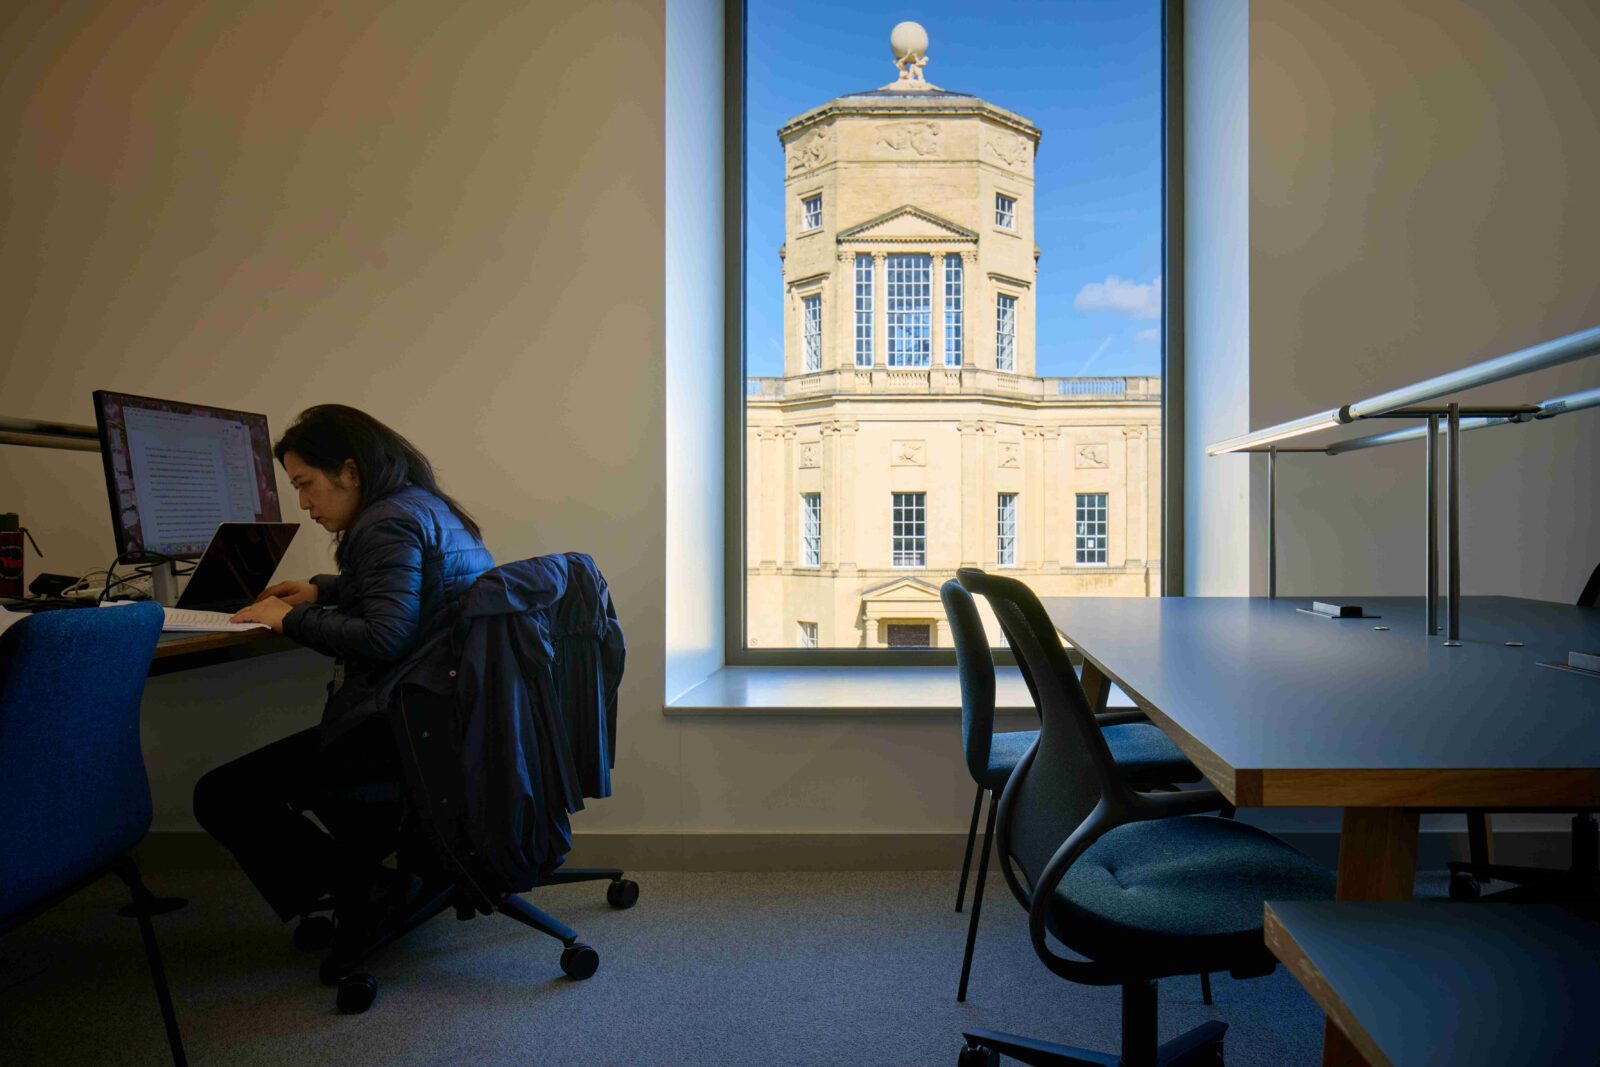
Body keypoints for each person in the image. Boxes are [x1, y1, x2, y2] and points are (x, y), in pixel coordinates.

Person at [193, 405, 494, 937]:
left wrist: (290, 619)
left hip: (406, 731)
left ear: (350, 472)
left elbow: (385, 636)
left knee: (223, 794)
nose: (304, 504)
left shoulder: (385, 522)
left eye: (307, 484)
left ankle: (369, 891)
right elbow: (420, 596)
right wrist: (322, 591)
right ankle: (386, 880)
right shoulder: (423, 507)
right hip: (445, 717)